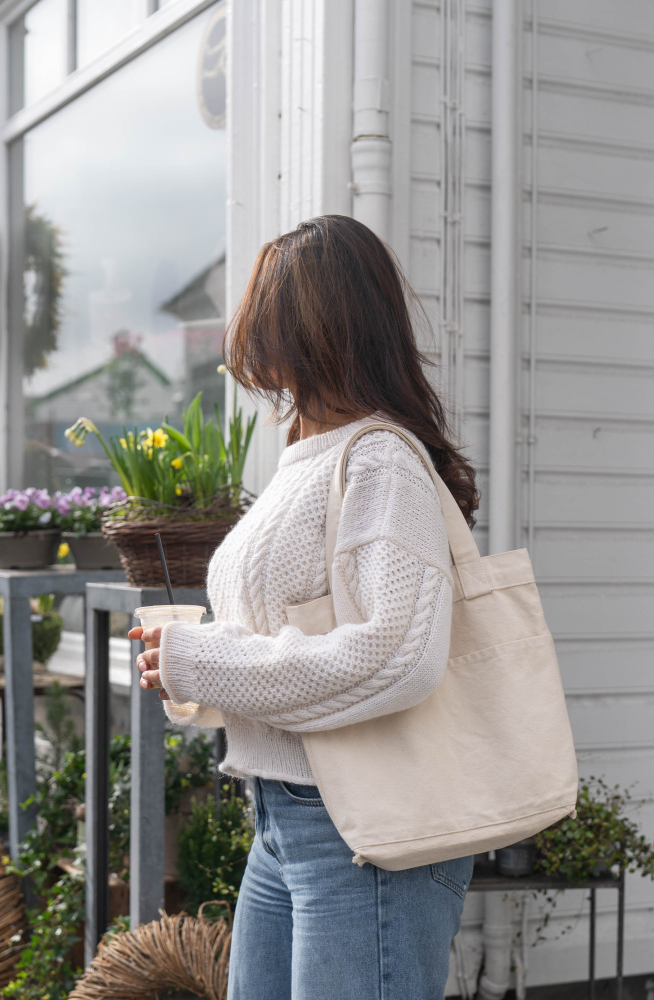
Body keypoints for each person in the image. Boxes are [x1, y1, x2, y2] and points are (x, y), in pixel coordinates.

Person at [129, 215, 480, 1000]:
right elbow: (288, 633)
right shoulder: (305, 456)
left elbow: (397, 655)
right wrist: (191, 663)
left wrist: (204, 661)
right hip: (284, 820)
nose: (247, 336)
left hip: (362, 829)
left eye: (265, 314)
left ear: (317, 327)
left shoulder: (379, 459)